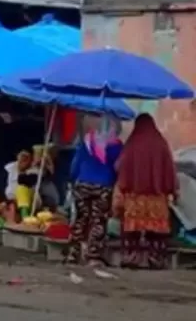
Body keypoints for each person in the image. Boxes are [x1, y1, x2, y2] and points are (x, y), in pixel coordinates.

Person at [114, 114, 178, 269]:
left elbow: (122, 166)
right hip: (157, 199)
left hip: (135, 198)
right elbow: (169, 168)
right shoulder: (161, 143)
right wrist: (173, 190)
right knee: (157, 233)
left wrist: (123, 186)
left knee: (132, 231)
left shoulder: (132, 143)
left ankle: (131, 258)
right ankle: (155, 259)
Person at [64, 121, 122, 265]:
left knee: (81, 219)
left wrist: (73, 178)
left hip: (82, 184)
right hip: (103, 185)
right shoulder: (115, 145)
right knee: (98, 220)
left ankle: (73, 253)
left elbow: (75, 165)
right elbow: (118, 166)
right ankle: (93, 255)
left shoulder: (86, 142)